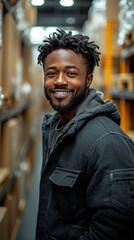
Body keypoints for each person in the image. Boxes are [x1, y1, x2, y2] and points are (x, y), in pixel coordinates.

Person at [36, 29, 134, 240]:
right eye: (51, 73)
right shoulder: (56, 129)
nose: (59, 81)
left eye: (71, 73)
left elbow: (112, 232)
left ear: (88, 80)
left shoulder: (108, 143)